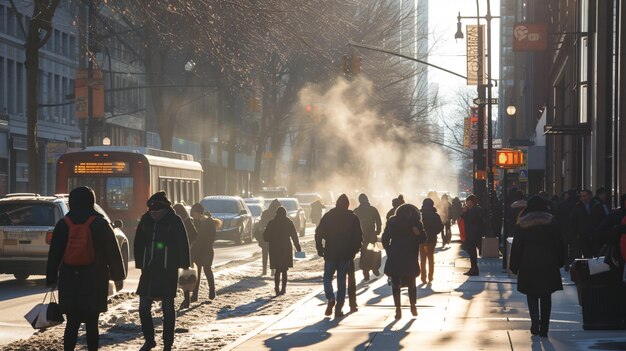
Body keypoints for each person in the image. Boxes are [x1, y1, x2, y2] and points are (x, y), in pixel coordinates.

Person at [46, 186, 126, 351]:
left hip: (69, 279)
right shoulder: (101, 223)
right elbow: (113, 251)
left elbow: (54, 253)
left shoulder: (63, 224)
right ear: (92, 201)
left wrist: (51, 279)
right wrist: (118, 276)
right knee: (91, 323)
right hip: (94, 279)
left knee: (72, 323)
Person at [135, 191, 190, 351]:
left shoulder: (174, 220)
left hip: (168, 269)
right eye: (151, 210)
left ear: (164, 209)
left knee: (167, 307)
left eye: (157, 210)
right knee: (144, 307)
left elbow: (183, 242)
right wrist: (141, 263)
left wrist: (184, 263)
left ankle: (167, 343)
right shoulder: (146, 219)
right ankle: (149, 339)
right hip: (149, 270)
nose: (153, 213)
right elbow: (138, 242)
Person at [509, 196, 564, 337]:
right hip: (548, 263)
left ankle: (535, 321)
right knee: (546, 295)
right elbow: (560, 242)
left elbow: (517, 246)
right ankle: (544, 327)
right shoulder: (552, 221)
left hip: (528, 263)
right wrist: (560, 261)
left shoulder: (522, 223)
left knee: (531, 294)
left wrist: (514, 265)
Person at [315, 194, 362, 317]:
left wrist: (320, 248)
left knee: (327, 277)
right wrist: (353, 251)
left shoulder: (328, 216)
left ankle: (330, 297)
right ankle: (338, 309)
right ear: (347, 205)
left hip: (330, 252)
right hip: (345, 254)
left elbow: (318, 233)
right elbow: (358, 238)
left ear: (336, 204)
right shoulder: (353, 218)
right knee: (342, 282)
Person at [382, 203, 426, 319]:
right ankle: (413, 305)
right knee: (411, 283)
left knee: (396, 284)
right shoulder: (416, 222)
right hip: (410, 256)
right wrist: (418, 233)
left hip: (395, 256)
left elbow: (385, 238)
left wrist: (389, 250)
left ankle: (398, 309)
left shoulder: (392, 222)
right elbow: (423, 239)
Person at [263, 206, 302, 296]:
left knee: (277, 269)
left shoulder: (271, 223)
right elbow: (294, 236)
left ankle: (276, 288)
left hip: (274, 248)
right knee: (284, 270)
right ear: (285, 214)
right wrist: (298, 248)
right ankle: (283, 289)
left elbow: (265, 237)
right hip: (286, 248)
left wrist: (272, 238)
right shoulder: (289, 222)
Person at [189, 203, 219, 302]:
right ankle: (194, 295)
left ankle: (212, 291)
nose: (194, 215)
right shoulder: (193, 221)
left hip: (206, 250)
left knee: (207, 270)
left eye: (195, 212)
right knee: (196, 273)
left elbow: (212, 237)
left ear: (199, 212)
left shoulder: (208, 221)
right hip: (196, 251)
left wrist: (205, 242)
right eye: (193, 213)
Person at [173, 203, 199, 309]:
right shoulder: (187, 221)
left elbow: (194, 234)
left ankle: (181, 299)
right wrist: (188, 245)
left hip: (179, 252)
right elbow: (195, 235)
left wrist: (185, 244)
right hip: (184, 252)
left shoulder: (180, 221)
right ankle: (186, 299)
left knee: (180, 276)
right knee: (185, 276)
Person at [353, 193, 382, 280]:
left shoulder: (356, 211)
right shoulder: (373, 209)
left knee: (364, 252)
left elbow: (353, 223)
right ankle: (375, 267)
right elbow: (378, 221)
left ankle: (365, 272)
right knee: (374, 251)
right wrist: (378, 230)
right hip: (372, 234)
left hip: (361, 235)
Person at [420, 198, 443, 284]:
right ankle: (430, 276)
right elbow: (440, 227)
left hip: (422, 240)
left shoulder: (420, 214)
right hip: (432, 239)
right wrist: (434, 233)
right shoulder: (435, 215)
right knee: (430, 258)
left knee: (422, 259)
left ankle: (423, 277)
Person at [461, 194, 485, 276]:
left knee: (472, 252)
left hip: (472, 234)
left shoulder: (473, 210)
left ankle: (474, 269)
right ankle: (473, 268)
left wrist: (465, 212)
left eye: (468, 202)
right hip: (475, 233)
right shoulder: (477, 209)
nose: (466, 204)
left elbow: (467, 220)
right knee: (472, 252)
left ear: (471, 202)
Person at [257, 199, 281, 275]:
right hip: (274, 238)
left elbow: (261, 223)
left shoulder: (265, 213)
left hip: (265, 237)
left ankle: (264, 270)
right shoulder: (279, 214)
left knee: (265, 254)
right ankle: (272, 270)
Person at [570, 189, 595, 258]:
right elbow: (573, 221)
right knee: (586, 253)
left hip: (594, 234)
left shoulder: (595, 205)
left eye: (584, 196)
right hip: (582, 235)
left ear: (589, 196)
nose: (582, 198)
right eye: (581, 196)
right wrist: (577, 234)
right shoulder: (577, 207)